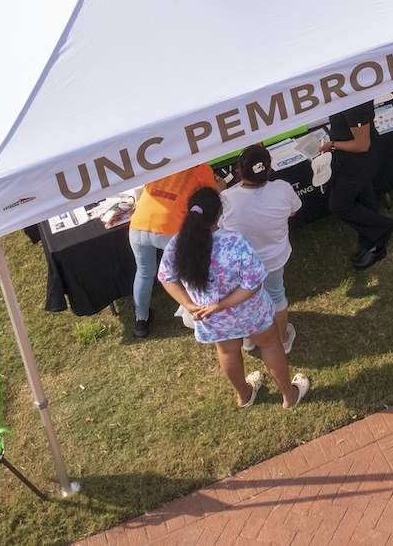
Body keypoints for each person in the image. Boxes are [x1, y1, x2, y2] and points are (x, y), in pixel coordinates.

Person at [158, 186, 310, 410]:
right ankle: (289, 396)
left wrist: (190, 306)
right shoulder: (235, 242)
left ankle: (244, 395)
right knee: (270, 345)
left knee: (227, 351)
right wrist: (221, 305)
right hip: (251, 312)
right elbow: (253, 284)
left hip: (210, 317)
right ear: (220, 212)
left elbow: (166, 277)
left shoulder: (177, 243)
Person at [218, 143, 303, 356]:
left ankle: (249, 339)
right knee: (276, 295)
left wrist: (222, 193)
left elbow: (220, 226)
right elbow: (294, 211)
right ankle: (282, 339)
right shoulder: (283, 188)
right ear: (268, 168)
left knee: (245, 300)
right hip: (274, 258)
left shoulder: (227, 199)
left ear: (239, 170)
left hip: (243, 265)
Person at [127, 160, 217, 339]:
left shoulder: (160, 165)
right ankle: (195, 314)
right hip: (170, 229)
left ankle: (141, 320)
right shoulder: (202, 169)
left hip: (138, 225)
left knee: (144, 272)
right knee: (186, 273)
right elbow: (210, 199)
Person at [319, 98, 393, 270]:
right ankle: (374, 245)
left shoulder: (355, 106)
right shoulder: (347, 96)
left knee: (338, 205)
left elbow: (362, 145)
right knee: (365, 196)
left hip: (359, 162)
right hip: (352, 160)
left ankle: (383, 227)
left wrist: (333, 145)